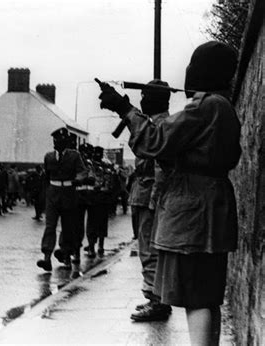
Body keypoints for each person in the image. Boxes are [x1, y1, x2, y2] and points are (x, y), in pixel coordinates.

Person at [98, 41, 240, 346]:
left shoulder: (205, 106)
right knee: (206, 296)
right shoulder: (223, 106)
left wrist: (124, 108)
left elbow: (154, 141)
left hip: (193, 210)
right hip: (210, 206)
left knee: (196, 296)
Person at [128, 80, 172, 322]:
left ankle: (157, 301)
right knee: (148, 248)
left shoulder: (159, 125)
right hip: (144, 194)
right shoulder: (156, 123)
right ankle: (155, 296)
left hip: (150, 196)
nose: (142, 100)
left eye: (145, 96)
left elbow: (154, 166)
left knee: (150, 250)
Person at [36, 127, 87, 271]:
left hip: (69, 192)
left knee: (67, 227)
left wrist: (78, 179)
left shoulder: (74, 156)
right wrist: (44, 194)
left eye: (59, 140)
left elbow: (82, 171)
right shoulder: (49, 156)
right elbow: (46, 176)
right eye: (55, 140)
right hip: (53, 193)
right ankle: (46, 257)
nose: (56, 143)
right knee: (50, 226)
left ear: (66, 142)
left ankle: (66, 256)